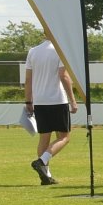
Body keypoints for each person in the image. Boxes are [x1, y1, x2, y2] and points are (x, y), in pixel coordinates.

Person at [24, 39, 75, 186]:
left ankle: (46, 175)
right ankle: (42, 161)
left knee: (44, 139)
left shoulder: (33, 51)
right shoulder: (59, 50)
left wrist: (28, 101)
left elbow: (28, 79)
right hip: (57, 99)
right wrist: (72, 100)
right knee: (64, 137)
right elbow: (63, 76)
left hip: (40, 101)